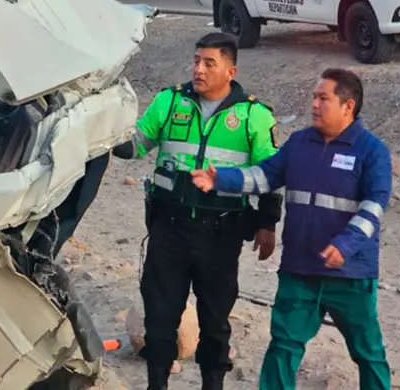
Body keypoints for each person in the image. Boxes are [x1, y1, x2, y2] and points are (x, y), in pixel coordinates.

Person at [191, 68, 391, 390]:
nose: (314, 103)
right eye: (314, 96)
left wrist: (346, 244)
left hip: (350, 275)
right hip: (300, 271)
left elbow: (375, 205)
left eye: (323, 98)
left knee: (369, 354)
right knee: (283, 347)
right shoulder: (299, 143)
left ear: (348, 106)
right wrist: (221, 179)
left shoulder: (371, 151)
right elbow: (265, 176)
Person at [112, 32, 282, 390]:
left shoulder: (253, 115)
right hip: (168, 230)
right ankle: (156, 383)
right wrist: (104, 134)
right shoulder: (169, 102)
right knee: (159, 318)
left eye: (209, 63)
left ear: (230, 71)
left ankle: (212, 383)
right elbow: (137, 144)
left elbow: (270, 175)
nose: (199, 69)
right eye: (196, 61)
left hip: (221, 235)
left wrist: (267, 224)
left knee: (215, 321)